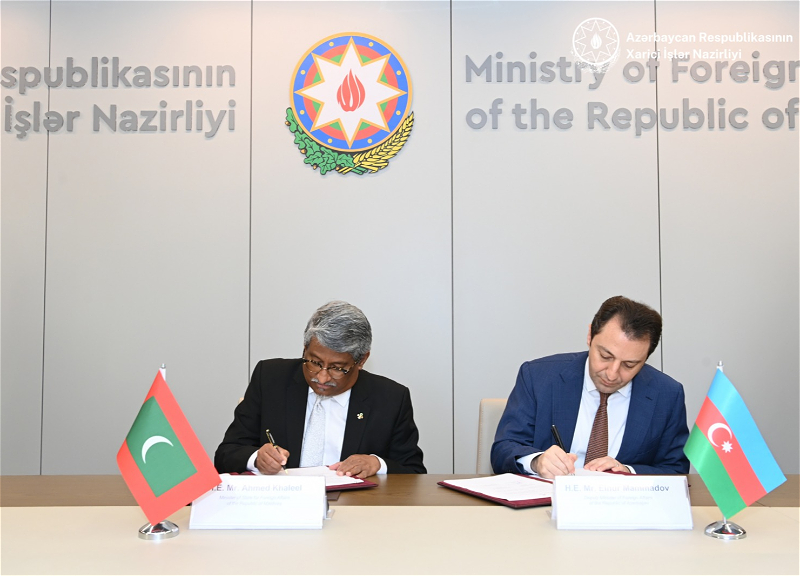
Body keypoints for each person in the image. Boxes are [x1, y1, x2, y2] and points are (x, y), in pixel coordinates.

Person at [215, 301, 426, 478]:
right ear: (305, 348)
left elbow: (414, 472)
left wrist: (376, 463)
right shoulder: (270, 379)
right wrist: (256, 458)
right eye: (314, 362)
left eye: (337, 368)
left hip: (356, 508)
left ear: (362, 360)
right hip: (282, 504)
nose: (322, 377)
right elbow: (226, 453)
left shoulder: (390, 398)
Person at [491, 296, 690, 477]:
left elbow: (676, 469)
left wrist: (628, 472)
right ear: (589, 336)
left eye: (629, 365)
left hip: (623, 503)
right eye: (605, 356)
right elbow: (504, 449)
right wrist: (536, 461)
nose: (612, 374)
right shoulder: (538, 377)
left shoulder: (667, 395)